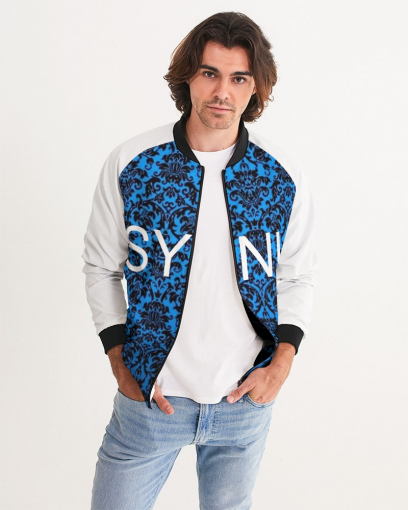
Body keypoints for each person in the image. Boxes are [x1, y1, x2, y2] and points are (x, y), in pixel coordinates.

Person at [81, 11, 318, 510]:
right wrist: (122, 363)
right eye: (210, 73)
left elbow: (297, 275)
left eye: (239, 78)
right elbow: (101, 267)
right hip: (152, 400)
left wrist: (279, 366)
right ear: (188, 76)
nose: (222, 92)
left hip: (243, 402)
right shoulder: (133, 163)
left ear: (256, 88)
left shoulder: (281, 175)